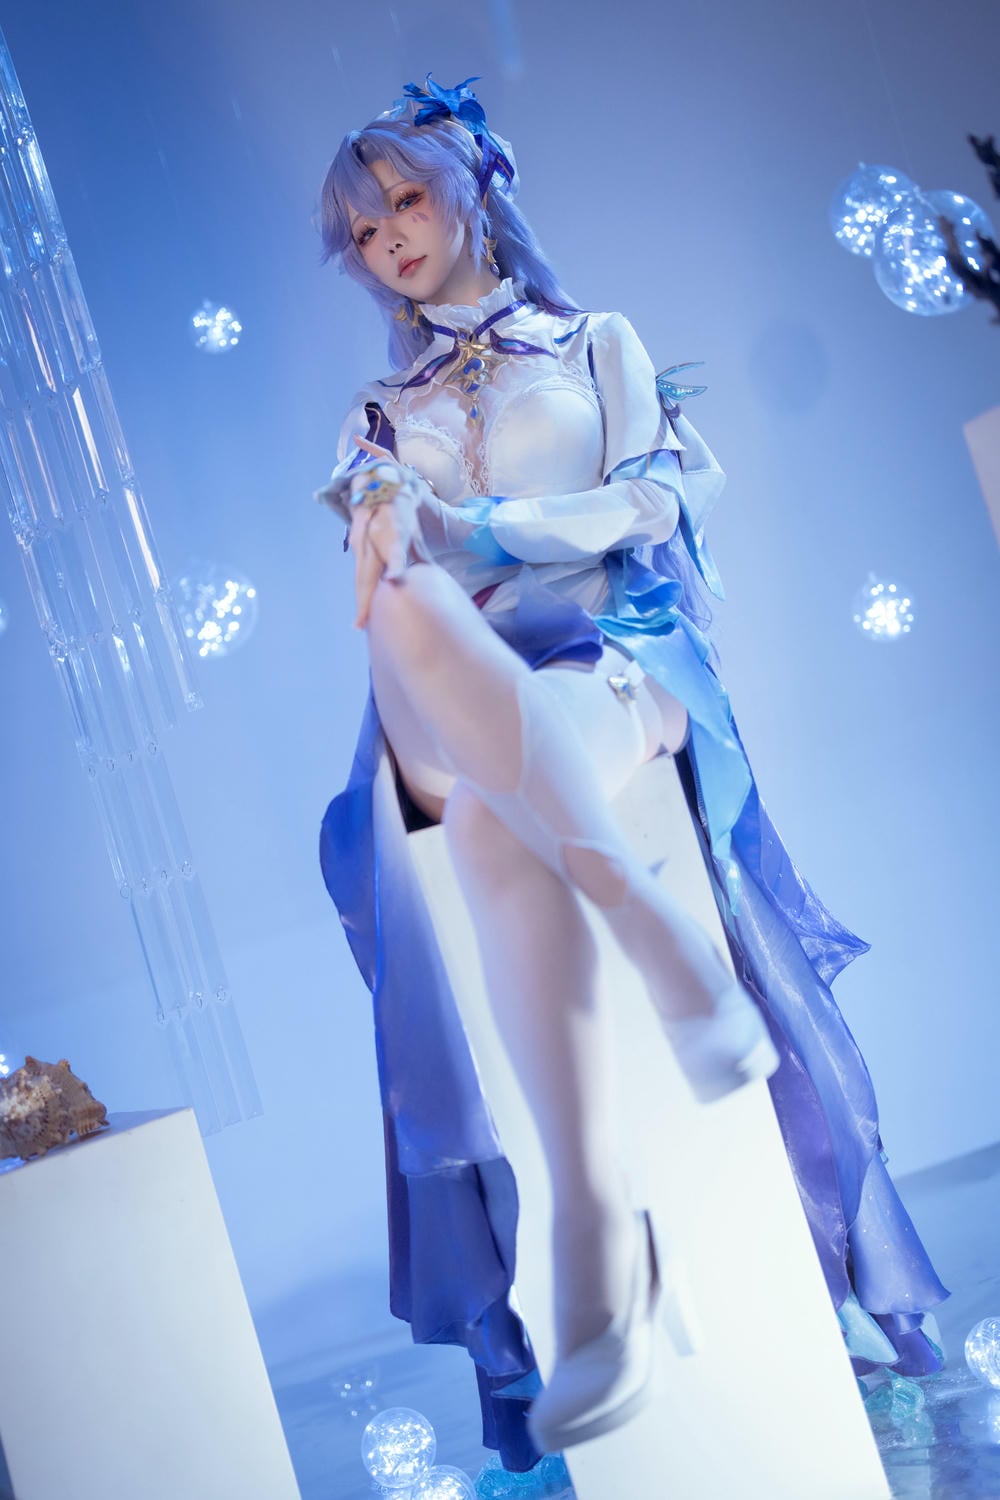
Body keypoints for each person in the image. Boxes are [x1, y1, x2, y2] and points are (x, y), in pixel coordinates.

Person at [315, 75, 948, 1466]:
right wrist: (389, 515)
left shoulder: (594, 341)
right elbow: (388, 571)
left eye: (405, 199)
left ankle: (601, 1245)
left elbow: (656, 500)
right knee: (402, 611)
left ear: (471, 188)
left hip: (610, 649)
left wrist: (485, 525)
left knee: (494, 818)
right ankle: (645, 941)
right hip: (459, 682)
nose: (389, 238)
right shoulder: (375, 406)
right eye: (362, 229)